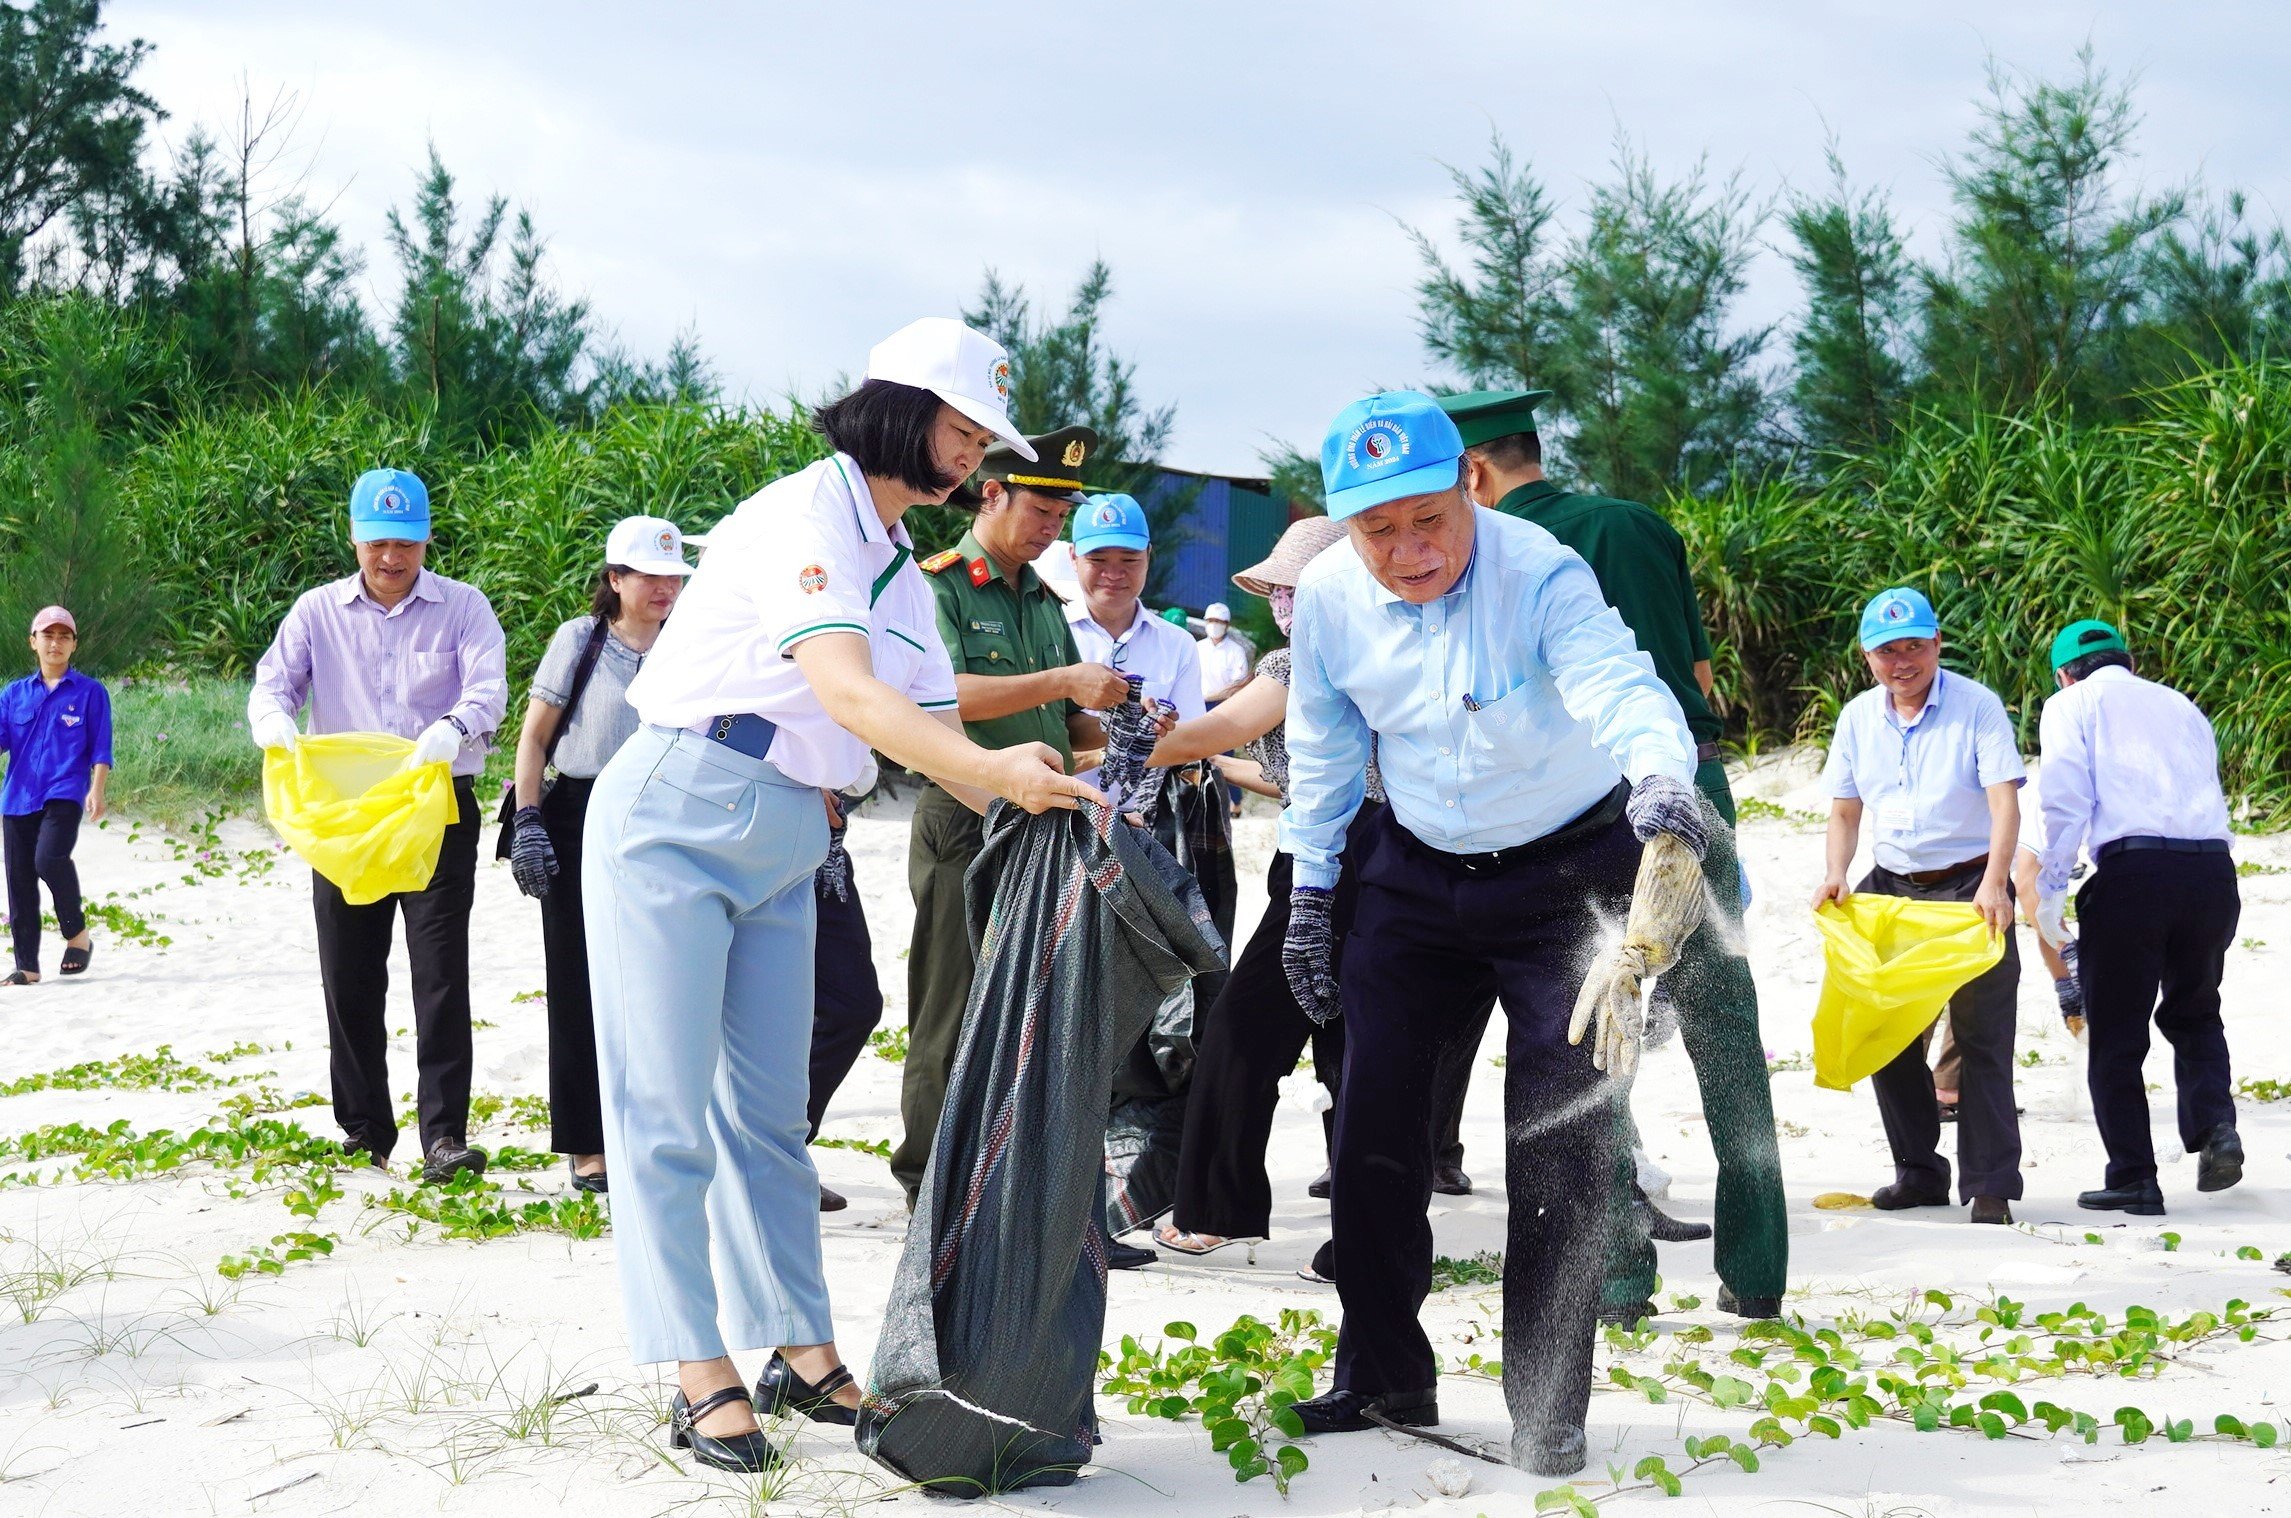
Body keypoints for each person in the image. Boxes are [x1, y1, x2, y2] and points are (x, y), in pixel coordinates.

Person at [580, 317, 1100, 1473]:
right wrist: (989, 777)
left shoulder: (893, 559)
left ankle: (799, 1349)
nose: (974, 458)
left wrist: (1054, 754)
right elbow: (858, 699)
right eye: (964, 432)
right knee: (664, 1110)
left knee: (768, 1118)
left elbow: (934, 696)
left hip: (787, 831)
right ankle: (693, 1365)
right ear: (901, 410)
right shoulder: (802, 518)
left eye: (981, 440)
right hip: (677, 803)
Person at [1278, 391, 1705, 1477]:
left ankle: (1546, 1405)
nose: (1408, 551)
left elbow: (1619, 683)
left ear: (1469, 483)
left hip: (1564, 872)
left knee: (1557, 1142)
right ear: (1342, 524)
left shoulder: (1541, 570)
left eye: (1428, 519)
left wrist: (1660, 785)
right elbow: (1323, 748)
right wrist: (1313, 896)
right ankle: (1380, 1368)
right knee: (1371, 1131)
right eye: (1377, 530)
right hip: (1413, 874)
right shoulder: (1328, 596)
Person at [1439, 389, 1785, 1322]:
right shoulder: (1638, 524)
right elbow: (1701, 679)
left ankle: (1622, 1277)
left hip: (1583, 804)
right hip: (1692, 787)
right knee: (1723, 1024)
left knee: (1595, 1027)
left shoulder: (1497, 555)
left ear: (1472, 471)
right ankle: (1756, 1275)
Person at [249, 470, 507, 1184]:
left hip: (437, 810)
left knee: (439, 976)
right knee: (350, 975)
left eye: (406, 543)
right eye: (377, 543)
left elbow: (489, 687)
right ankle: (364, 1131)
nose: (391, 558)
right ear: (355, 540)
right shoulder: (315, 611)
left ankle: (444, 1137)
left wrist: (455, 726)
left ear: (426, 540)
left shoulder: (463, 608)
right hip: (348, 817)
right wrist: (271, 721)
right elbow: (274, 683)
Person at [892, 422, 1124, 1208]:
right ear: (990, 492)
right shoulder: (939, 585)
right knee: (949, 1005)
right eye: (1041, 510)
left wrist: (1118, 732)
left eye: (1063, 515)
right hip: (965, 811)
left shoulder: (1042, 599)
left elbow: (1067, 727)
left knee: (1034, 1006)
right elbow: (935, 695)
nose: (1053, 527)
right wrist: (1063, 679)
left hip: (1046, 820)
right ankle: (927, 1178)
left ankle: (1004, 1175)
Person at [1812, 587, 2022, 1225]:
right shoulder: (1856, 718)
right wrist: (1835, 874)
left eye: (1913, 647)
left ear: (1936, 645)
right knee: (1886, 1033)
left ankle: (1990, 1187)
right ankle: (1919, 1173)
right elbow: (1846, 809)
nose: (1902, 661)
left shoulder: (1976, 707)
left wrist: (1995, 881)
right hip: (1891, 887)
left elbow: (2004, 802)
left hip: (1969, 887)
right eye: (1886, 651)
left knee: (1984, 1037)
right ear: (1867, 656)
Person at [506, 515, 693, 1195]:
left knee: (661, 981)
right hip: (579, 814)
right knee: (579, 980)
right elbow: (534, 739)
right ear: (614, 579)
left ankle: (652, 1132)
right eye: (648, 574)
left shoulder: (693, 644)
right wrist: (528, 819)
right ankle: (588, 1144)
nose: (663, 587)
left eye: (673, 575)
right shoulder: (579, 640)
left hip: (667, 818)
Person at [2034, 619, 2241, 1216]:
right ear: (2126, 662)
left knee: (2118, 1032)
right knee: (2196, 1009)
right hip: (2210, 872)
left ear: (2065, 673)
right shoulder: (2181, 705)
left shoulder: (2069, 703)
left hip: (2133, 875)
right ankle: (2213, 1130)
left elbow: (2065, 801)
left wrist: (2050, 894)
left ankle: (2133, 1177)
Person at [1063, 492, 1206, 786]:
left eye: (1129, 559)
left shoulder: (1178, 644)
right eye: (1098, 559)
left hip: (1144, 820)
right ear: (1073, 557)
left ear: (1149, 556)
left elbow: (1190, 740)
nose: (1114, 574)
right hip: (1056, 814)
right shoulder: (1049, 629)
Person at [1, 607, 111, 986]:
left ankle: (77, 934)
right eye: (48, 635)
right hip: (17, 798)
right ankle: (27, 967)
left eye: (64, 636)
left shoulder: (90, 692)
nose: (55, 643)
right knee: (19, 881)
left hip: (64, 792)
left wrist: (97, 789)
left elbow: (101, 746)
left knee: (48, 858)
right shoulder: (14, 694)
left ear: (74, 644)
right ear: (33, 642)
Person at [1197, 600, 1252, 816]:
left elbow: (1236, 686)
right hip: (1198, 705)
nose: (1215, 625)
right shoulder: (1197, 648)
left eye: (1219, 621)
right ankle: (1203, 802)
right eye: (1211, 621)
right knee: (1198, 753)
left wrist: (1213, 696)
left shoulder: (1235, 651)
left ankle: (1234, 804)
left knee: (1225, 755)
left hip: (1224, 706)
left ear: (1227, 624)